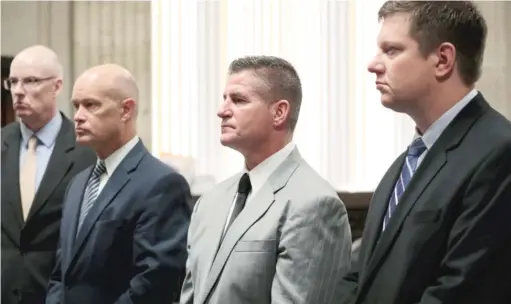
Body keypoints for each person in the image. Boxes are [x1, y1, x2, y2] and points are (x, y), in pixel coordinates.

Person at [339, 2, 511, 304]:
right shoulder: (405, 164)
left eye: (391, 50)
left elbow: (461, 291)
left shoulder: (499, 152)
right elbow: (361, 277)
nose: (373, 64)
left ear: (443, 59)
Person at [180, 55, 352, 304]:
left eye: (238, 100)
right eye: (224, 98)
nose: (222, 111)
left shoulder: (314, 204)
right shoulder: (209, 202)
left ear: (279, 112)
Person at [45, 64, 192, 303]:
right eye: (76, 105)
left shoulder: (162, 184)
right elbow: (61, 274)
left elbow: (155, 282)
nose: (78, 116)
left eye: (91, 105)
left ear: (126, 110)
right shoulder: (77, 184)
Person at [1, 45, 96, 304]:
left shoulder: (87, 151)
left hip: (59, 294)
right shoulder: (1, 143)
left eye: (30, 81)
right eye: (13, 82)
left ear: (56, 86)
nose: (18, 91)